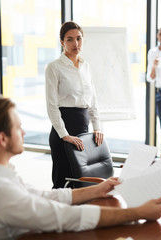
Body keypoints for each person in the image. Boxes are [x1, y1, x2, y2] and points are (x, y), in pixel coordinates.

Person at [0, 95, 161, 240]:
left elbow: (43, 196)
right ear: (2, 138)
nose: (24, 133)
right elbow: (66, 217)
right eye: (18, 127)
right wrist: (139, 213)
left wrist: (97, 189)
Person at [45, 21, 104, 188]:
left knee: (81, 180)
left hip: (83, 129)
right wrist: (64, 135)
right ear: (62, 42)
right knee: (62, 181)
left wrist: (97, 127)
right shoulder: (54, 67)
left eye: (79, 38)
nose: (75, 44)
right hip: (63, 129)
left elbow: (93, 101)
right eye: (70, 39)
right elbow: (51, 105)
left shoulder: (86, 67)